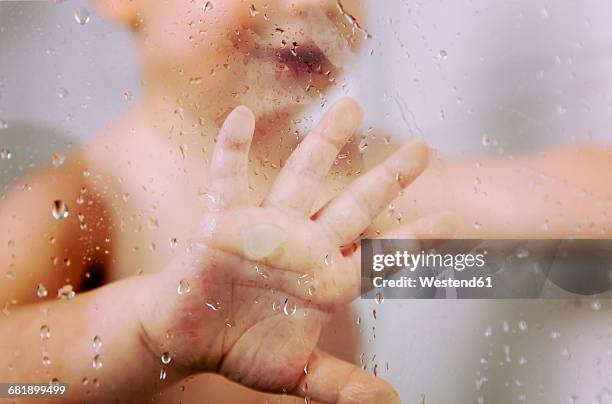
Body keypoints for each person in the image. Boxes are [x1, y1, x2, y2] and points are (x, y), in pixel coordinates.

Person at [0, 1, 610, 403]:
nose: (311, 2)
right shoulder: (81, 202)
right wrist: (147, 331)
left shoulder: (351, 172)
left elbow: (534, 194)